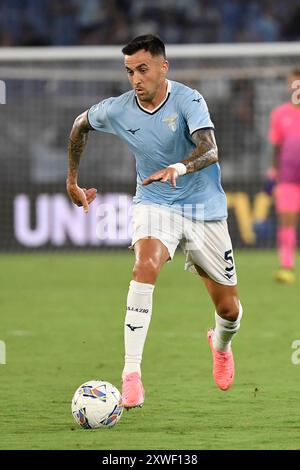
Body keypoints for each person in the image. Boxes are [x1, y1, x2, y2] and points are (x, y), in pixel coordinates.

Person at [66, 35, 243, 409]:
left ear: (164, 67)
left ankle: (220, 344)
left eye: (143, 69)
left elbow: (210, 149)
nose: (135, 79)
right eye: (129, 71)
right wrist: (72, 180)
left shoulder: (189, 100)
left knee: (229, 309)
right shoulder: (118, 109)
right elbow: (80, 124)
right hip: (154, 201)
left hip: (203, 208)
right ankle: (131, 374)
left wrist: (179, 166)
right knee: (144, 265)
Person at [268, 68, 300, 284]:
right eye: (292, 83)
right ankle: (286, 265)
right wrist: (273, 172)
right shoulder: (280, 114)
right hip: (288, 177)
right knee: (287, 220)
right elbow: (276, 147)